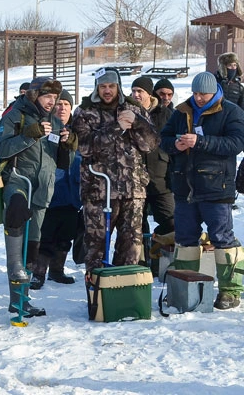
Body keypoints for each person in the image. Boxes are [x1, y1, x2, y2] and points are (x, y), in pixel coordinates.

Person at [162, 72, 244, 309]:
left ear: (214, 92)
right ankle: (184, 287)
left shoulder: (231, 111)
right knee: (185, 239)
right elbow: (164, 137)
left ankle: (230, 291)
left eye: (203, 94)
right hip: (184, 186)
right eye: (195, 93)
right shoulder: (181, 111)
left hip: (217, 187)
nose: (198, 98)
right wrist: (174, 145)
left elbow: (237, 143)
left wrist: (202, 142)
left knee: (222, 238)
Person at [0, 77, 75, 316]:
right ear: (34, 95)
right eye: (47, 97)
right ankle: (16, 297)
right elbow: (2, 149)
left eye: (55, 98)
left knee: (33, 247)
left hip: (43, 189)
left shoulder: (54, 120)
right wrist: (29, 135)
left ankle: (23, 299)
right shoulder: (15, 115)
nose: (52, 102)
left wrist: (68, 145)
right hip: (18, 183)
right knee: (17, 230)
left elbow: (62, 164)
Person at [72, 69, 159, 277]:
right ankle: (97, 299)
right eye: (103, 87)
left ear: (118, 86)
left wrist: (138, 123)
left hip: (132, 190)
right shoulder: (84, 111)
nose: (107, 91)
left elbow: (151, 145)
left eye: (111, 86)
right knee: (96, 248)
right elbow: (83, 147)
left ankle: (122, 294)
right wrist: (116, 127)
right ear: (97, 88)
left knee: (131, 247)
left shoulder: (134, 108)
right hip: (98, 191)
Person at [31, 89, 80, 289]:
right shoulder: (46, 127)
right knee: (46, 236)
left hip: (72, 194)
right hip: (49, 192)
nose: (62, 108)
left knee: (66, 234)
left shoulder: (78, 130)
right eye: (59, 104)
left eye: (66, 105)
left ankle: (57, 270)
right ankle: (38, 272)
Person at [130, 76, 175, 264]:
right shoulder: (127, 113)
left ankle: (162, 260)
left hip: (161, 177)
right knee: (136, 225)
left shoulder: (165, 114)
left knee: (170, 221)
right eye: (133, 91)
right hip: (134, 179)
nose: (136, 94)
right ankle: (140, 264)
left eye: (140, 91)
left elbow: (173, 145)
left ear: (149, 94)